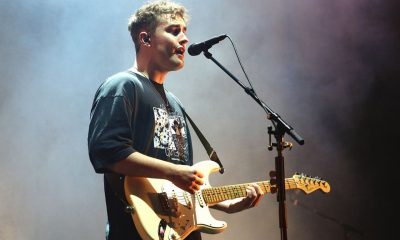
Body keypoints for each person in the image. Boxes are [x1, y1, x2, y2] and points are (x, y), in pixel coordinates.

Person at [87, 1, 264, 239]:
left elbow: (176, 189)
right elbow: (107, 151)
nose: (185, 39)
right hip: (136, 232)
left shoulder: (176, 103)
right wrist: (173, 172)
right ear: (145, 39)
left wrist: (227, 205)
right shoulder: (123, 86)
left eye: (185, 31)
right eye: (173, 31)